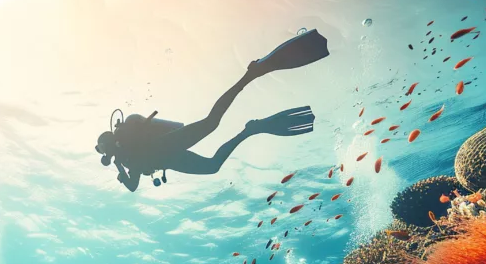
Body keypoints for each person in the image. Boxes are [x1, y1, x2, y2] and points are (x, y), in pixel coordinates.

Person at [95, 29, 329, 192]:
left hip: (165, 146)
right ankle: (250, 130)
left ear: (109, 143)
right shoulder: (126, 157)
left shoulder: (127, 151)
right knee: (212, 163)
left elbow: (132, 185)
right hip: (169, 157)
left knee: (211, 123)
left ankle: (250, 76)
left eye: (103, 150)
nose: (105, 155)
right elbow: (134, 185)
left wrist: (118, 168)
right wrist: (119, 165)